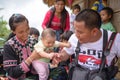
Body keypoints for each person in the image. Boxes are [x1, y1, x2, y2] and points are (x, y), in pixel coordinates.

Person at [53, 9, 120, 79]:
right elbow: (66, 53)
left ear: (94, 31)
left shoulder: (114, 39)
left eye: (80, 32)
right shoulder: (74, 37)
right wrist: (59, 56)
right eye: (75, 29)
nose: (76, 34)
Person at [3, 14, 41, 80]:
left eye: (27, 29)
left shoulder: (33, 41)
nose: (25, 34)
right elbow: (12, 73)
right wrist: (30, 59)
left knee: (61, 71)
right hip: (19, 78)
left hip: (36, 75)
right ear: (13, 31)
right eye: (21, 32)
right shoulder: (9, 46)